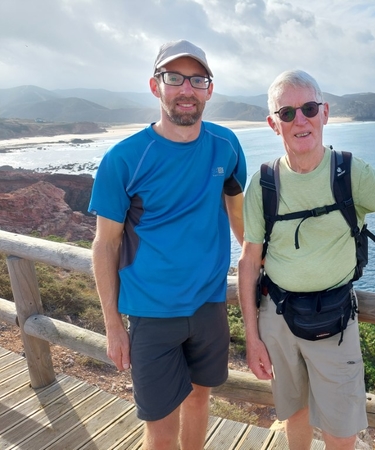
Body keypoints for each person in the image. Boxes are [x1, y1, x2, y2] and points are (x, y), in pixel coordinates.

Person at [237, 70, 375, 450]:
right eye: (287, 113)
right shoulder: (263, 182)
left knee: (341, 429)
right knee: (293, 413)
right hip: (276, 319)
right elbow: (250, 262)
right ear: (273, 124)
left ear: (325, 113)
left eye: (309, 108)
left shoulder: (351, 174)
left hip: (334, 322)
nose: (300, 120)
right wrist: (252, 338)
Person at [89, 40, 246, 450]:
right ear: (155, 85)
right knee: (159, 428)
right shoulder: (124, 159)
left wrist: (261, 265)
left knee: (199, 399)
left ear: (209, 89)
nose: (186, 89)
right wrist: (113, 327)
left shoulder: (226, 146)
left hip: (209, 305)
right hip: (151, 314)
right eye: (173, 78)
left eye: (197, 79)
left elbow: (239, 215)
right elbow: (105, 245)